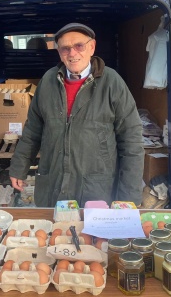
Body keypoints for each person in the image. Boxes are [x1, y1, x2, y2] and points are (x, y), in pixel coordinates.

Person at [9, 23, 145, 206]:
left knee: (94, 235)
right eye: (65, 48)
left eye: (79, 46)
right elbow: (33, 129)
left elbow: (132, 142)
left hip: (96, 190)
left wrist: (129, 197)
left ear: (92, 47)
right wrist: (19, 167)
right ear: (59, 52)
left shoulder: (112, 83)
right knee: (55, 232)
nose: (72, 54)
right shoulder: (48, 81)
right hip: (53, 186)